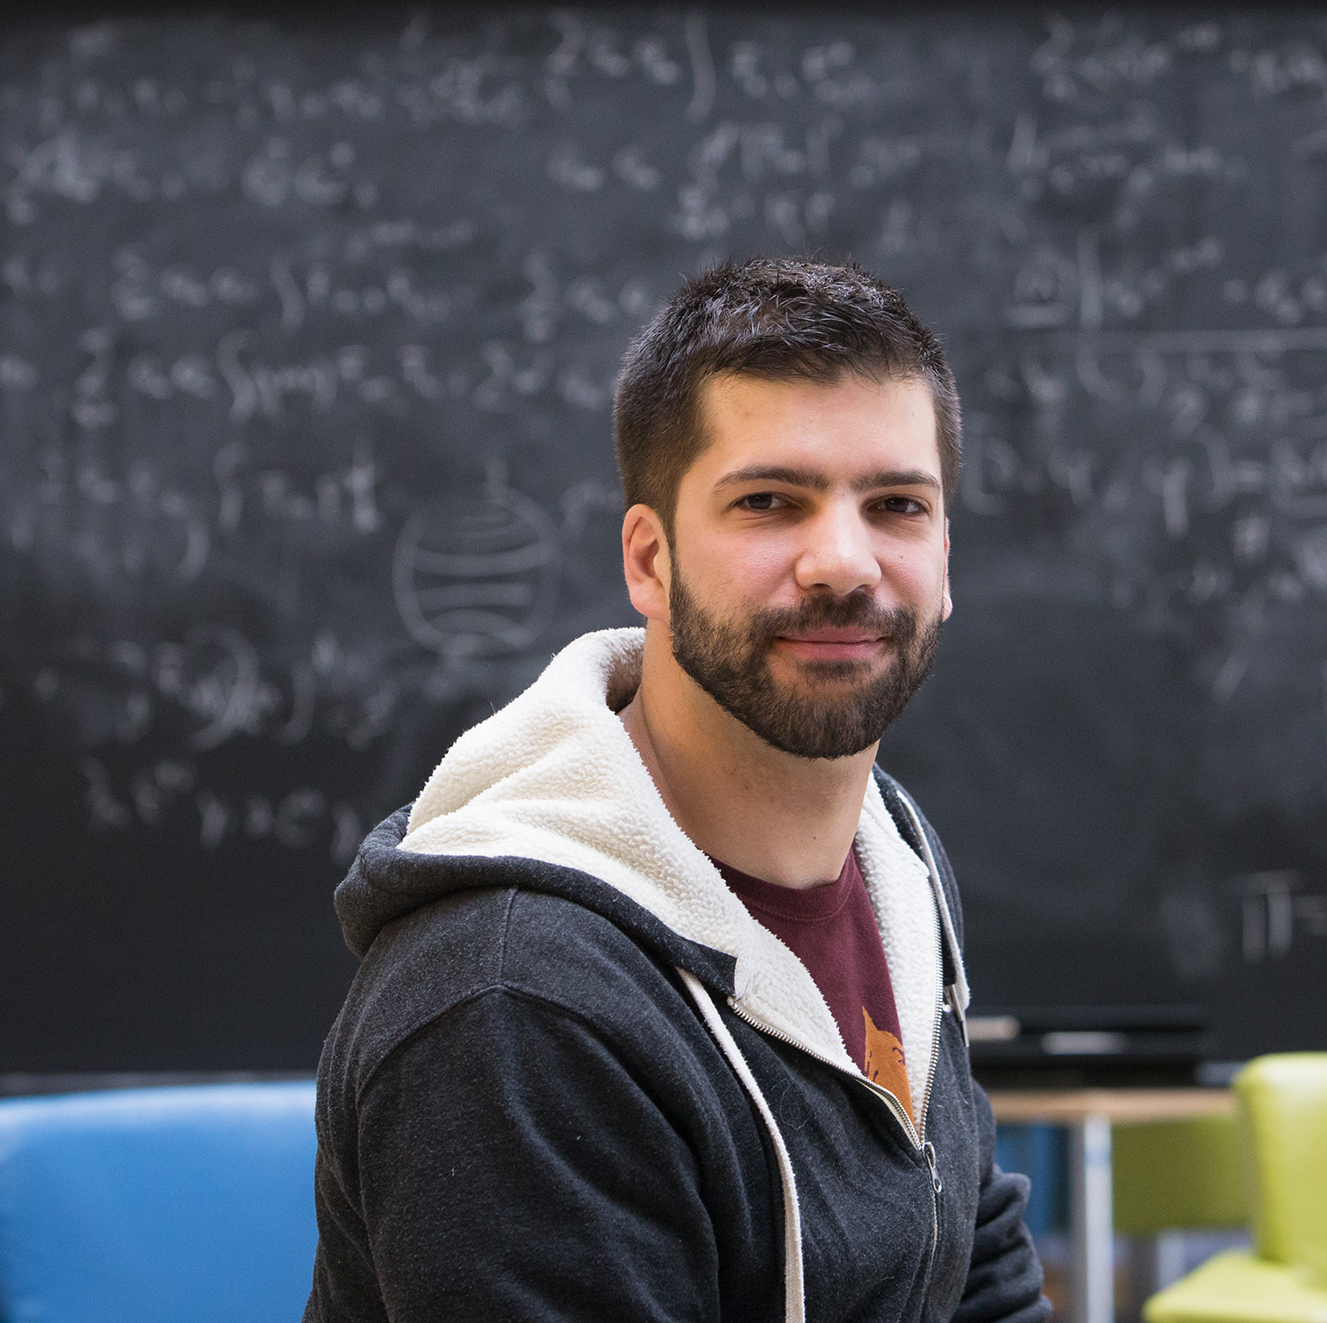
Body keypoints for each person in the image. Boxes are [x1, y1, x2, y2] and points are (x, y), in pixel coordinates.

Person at [306, 258, 1051, 1322]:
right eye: (768, 502)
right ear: (648, 563)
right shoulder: (516, 1006)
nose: (842, 562)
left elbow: (971, 1259)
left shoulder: (895, 859)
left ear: (943, 556)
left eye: (895, 505)